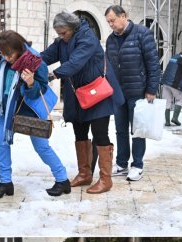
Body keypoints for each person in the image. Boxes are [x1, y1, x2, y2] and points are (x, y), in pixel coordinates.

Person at [41, 11, 124, 195]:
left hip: (98, 92)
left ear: (72, 27)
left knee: (100, 133)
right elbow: (45, 56)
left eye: (63, 33)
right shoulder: (62, 41)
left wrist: (53, 75)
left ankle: (105, 179)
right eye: (59, 34)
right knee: (79, 131)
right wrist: (27, 60)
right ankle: (85, 173)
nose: (61, 37)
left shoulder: (87, 37)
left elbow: (75, 62)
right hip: (78, 93)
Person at [0, 30, 70, 198]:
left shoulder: (36, 63)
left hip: (31, 112)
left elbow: (40, 91)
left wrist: (30, 83)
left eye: (9, 54)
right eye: (3, 53)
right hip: (7, 110)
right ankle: (5, 183)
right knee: (0, 142)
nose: (6, 58)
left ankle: (62, 179)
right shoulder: (0, 57)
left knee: (42, 147)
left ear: (19, 48)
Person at [104, 5, 161, 182]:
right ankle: (121, 163)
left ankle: (137, 165)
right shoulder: (110, 40)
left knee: (137, 131)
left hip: (138, 92)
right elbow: (109, 67)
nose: (111, 24)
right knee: (120, 130)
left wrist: (151, 89)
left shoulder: (142, 34)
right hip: (118, 93)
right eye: (108, 22)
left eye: (112, 20)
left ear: (124, 16)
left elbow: (153, 63)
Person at [161, 48, 182, 126]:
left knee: (167, 101)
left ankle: (167, 122)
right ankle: (175, 118)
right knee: (180, 100)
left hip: (165, 82)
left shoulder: (174, 56)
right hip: (175, 83)